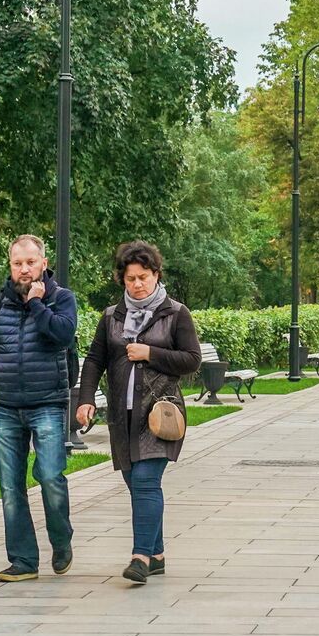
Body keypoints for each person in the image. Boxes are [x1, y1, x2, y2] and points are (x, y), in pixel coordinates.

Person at [77, 240, 201, 586]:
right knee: (136, 483)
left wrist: (150, 352)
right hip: (122, 415)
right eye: (130, 279)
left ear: (156, 275)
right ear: (123, 280)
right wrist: (85, 399)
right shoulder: (111, 317)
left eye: (143, 277)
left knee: (146, 481)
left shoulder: (175, 313)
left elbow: (192, 360)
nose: (137, 284)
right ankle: (157, 553)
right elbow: (95, 360)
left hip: (160, 413)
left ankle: (140, 558)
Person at [0, 234, 79, 582]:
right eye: (17, 263)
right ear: (10, 266)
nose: (24, 269)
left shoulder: (62, 299)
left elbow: (62, 335)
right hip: (8, 407)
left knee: (50, 477)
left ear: (44, 263)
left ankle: (61, 541)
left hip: (48, 404)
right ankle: (24, 560)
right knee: (10, 487)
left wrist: (37, 303)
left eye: (30, 262)